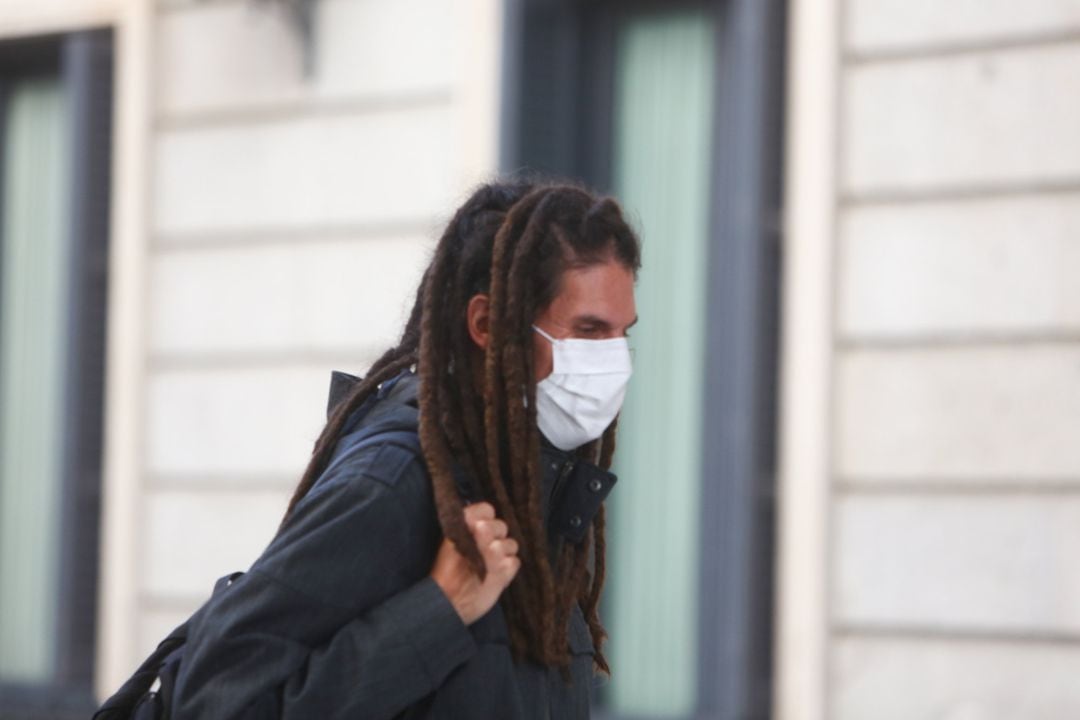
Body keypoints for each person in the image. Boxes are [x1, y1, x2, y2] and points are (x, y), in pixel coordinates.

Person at [171, 180, 641, 718]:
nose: (614, 361)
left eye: (622, 333)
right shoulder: (392, 480)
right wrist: (439, 612)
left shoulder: (530, 494)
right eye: (588, 330)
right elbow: (216, 700)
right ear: (487, 324)